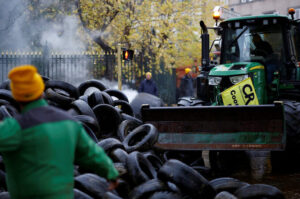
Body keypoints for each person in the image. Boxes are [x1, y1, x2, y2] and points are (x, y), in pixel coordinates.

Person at [0, 65, 118, 199]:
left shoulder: (12, 128)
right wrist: (110, 172)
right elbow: (91, 154)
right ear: (42, 93)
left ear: (15, 97)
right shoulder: (68, 122)